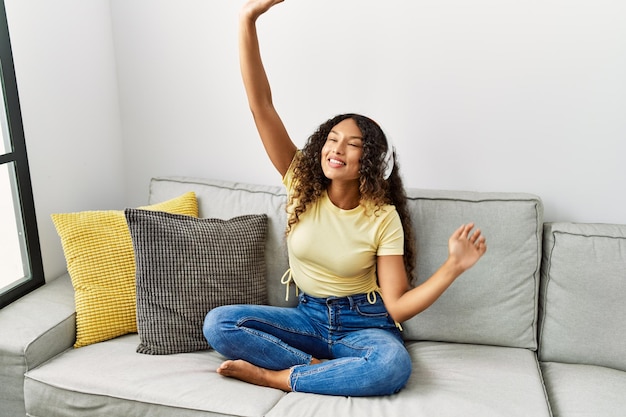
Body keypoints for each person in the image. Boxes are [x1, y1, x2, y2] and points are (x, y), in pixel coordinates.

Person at [203, 0, 487, 397]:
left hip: (365, 323)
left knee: (391, 367)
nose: (337, 148)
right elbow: (261, 106)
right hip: (308, 317)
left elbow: (398, 307)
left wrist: (453, 266)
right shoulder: (302, 182)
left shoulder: (382, 217)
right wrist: (247, 18)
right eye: (332, 138)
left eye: (352, 144)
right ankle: (319, 369)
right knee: (219, 324)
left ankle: (278, 377)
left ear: (368, 161)